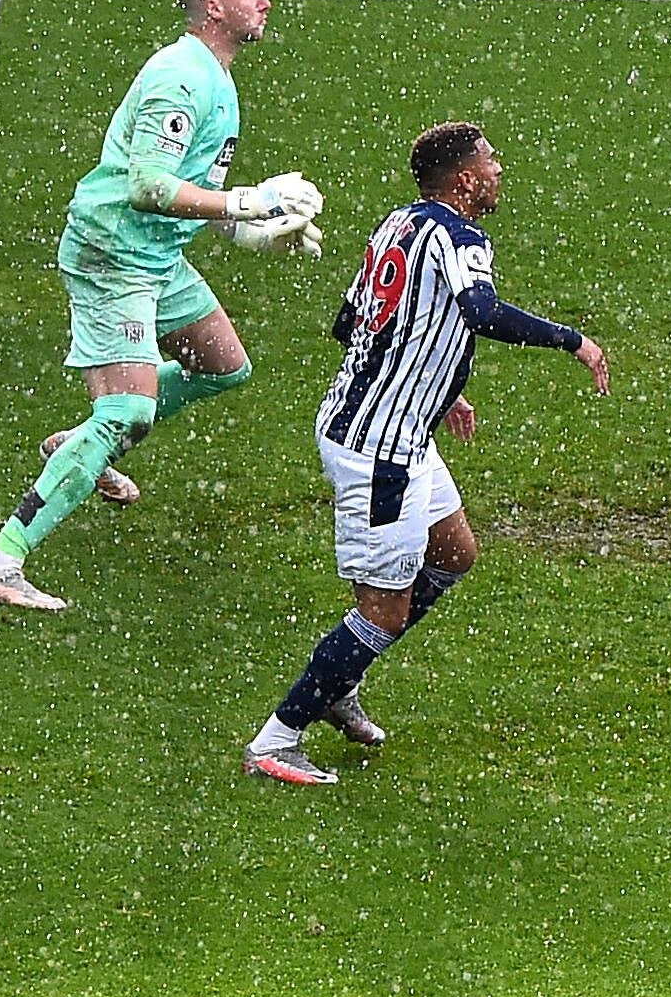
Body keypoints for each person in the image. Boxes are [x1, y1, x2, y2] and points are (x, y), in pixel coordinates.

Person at [244, 123, 611, 785]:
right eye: (489, 162)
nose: (499, 169)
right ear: (464, 181)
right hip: (379, 448)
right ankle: (278, 737)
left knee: (453, 552)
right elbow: (482, 309)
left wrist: (440, 390)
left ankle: (338, 683)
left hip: (393, 425)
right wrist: (571, 340)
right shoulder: (461, 237)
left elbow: (352, 321)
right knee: (380, 607)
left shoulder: (400, 224)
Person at [0, 0, 325, 613]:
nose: (265, 0)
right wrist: (245, 202)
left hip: (155, 253)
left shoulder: (215, 77)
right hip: (115, 252)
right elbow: (148, 186)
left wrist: (254, 228)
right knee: (129, 410)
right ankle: (1, 558)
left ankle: (79, 444)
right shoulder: (181, 79)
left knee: (223, 366)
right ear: (214, 7)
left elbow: (194, 192)